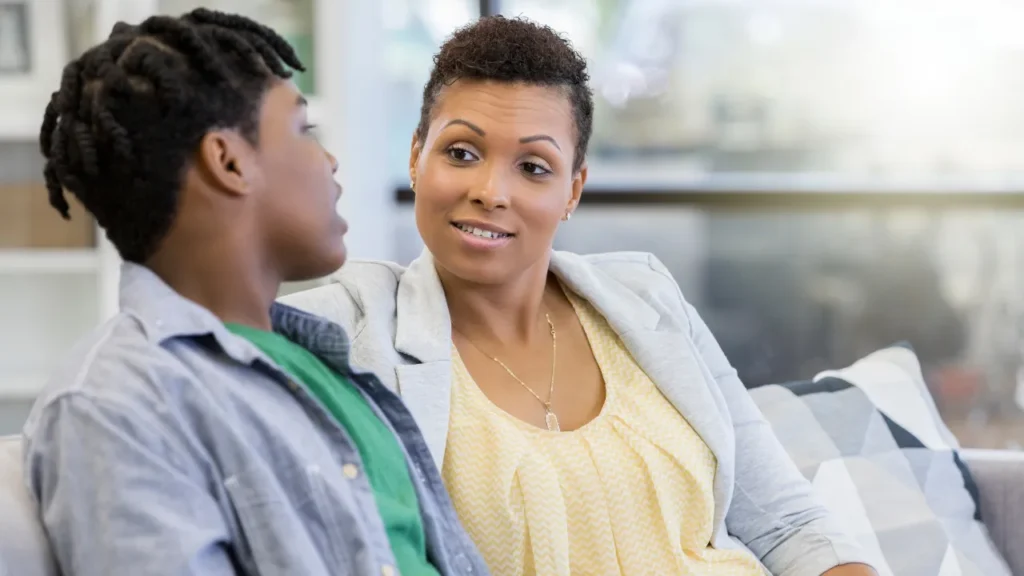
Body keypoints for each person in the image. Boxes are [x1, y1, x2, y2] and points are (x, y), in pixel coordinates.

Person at [283, 16, 877, 576]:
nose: (491, 191)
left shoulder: (648, 302)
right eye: (461, 153)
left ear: (574, 189)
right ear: (416, 157)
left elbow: (790, 525)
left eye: (534, 167)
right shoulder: (355, 330)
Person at [22, 9, 487, 576]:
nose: (330, 159)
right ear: (228, 161)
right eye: (303, 131)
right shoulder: (117, 403)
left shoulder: (323, 359)